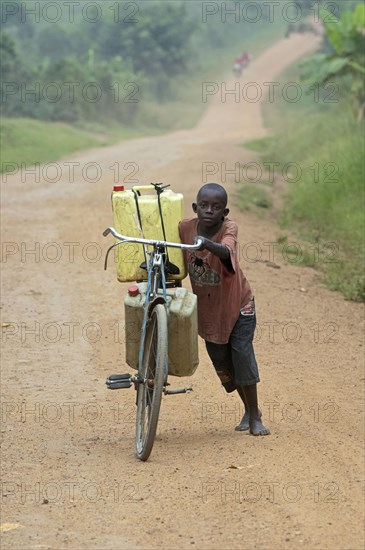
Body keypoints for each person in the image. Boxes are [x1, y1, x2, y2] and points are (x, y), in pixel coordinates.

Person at [178, 183, 270, 436]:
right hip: (209, 311)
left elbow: (226, 250)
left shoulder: (229, 228)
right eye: (204, 206)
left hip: (239, 305)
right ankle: (250, 410)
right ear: (196, 208)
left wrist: (206, 243)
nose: (209, 211)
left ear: (224, 212)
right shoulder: (185, 228)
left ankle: (254, 416)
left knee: (242, 356)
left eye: (216, 207)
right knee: (222, 361)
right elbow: (175, 260)